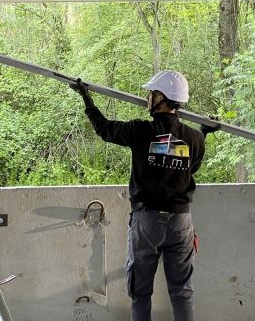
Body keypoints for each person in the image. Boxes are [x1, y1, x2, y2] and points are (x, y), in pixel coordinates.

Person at [70, 71, 205, 321]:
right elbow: (189, 168)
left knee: (141, 293)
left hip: (148, 223)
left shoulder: (140, 131)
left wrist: (87, 100)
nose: (147, 98)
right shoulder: (195, 138)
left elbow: (105, 129)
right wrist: (204, 133)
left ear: (162, 98)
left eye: (151, 94)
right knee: (182, 292)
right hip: (181, 223)